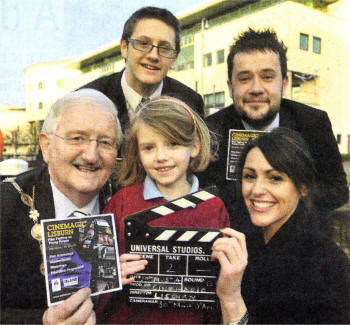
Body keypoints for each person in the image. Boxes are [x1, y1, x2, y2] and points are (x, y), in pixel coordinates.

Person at [96, 96, 230, 324]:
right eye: (148, 147)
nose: (161, 156)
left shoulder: (213, 206)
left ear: (195, 146)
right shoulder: (121, 202)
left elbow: (220, 283)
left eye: (173, 144)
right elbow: (95, 276)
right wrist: (110, 274)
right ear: (137, 152)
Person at [200, 28, 348, 231]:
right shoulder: (210, 130)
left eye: (268, 77)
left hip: (298, 241)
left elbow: (338, 189)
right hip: (231, 240)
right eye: (244, 78)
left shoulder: (313, 123)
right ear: (230, 86)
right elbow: (201, 194)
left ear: (284, 82)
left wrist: (286, 200)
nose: (256, 88)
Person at [0, 89, 123, 324]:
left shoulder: (130, 204)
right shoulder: (5, 205)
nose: (91, 155)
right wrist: (42, 321)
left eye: (105, 142)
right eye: (77, 138)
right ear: (46, 146)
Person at [216, 128, 350, 324]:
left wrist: (231, 300)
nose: (257, 190)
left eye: (275, 178)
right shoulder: (243, 246)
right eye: (250, 176)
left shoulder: (328, 265)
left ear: (302, 187)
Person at [79, 6, 204, 133]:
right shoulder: (87, 100)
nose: (153, 56)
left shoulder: (189, 103)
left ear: (174, 58)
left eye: (165, 48)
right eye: (143, 44)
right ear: (124, 48)